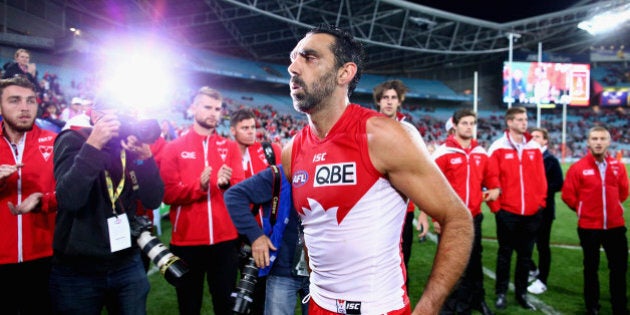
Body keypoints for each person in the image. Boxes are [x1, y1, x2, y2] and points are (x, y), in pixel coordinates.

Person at [284, 24, 473, 315]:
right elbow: (313, 230)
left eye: (309, 58)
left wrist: (429, 307)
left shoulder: (383, 136)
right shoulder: (291, 151)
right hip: (318, 306)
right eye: (294, 57)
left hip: (378, 308)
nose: (293, 67)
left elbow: (457, 219)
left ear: (344, 73)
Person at [51, 93, 164, 314]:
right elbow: (69, 198)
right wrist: (93, 145)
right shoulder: (72, 139)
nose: (118, 125)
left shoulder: (126, 147)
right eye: (113, 118)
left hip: (126, 261)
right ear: (95, 116)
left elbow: (153, 200)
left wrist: (145, 159)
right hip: (79, 267)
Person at [159, 86, 245, 315]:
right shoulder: (174, 147)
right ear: (193, 108)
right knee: (189, 306)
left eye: (217, 109)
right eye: (207, 107)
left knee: (225, 306)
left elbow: (240, 189)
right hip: (186, 242)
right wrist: (199, 187)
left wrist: (226, 185)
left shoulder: (230, 147)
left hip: (225, 242)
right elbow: (167, 194)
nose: (213, 113)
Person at [431, 109, 500, 315]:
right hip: (451, 220)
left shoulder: (481, 153)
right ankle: (449, 305)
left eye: (472, 123)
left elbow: (491, 179)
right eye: (465, 123)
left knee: (474, 261)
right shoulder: (443, 153)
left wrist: (495, 188)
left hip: (474, 217)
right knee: (450, 264)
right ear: (455, 125)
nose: (469, 127)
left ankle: (476, 300)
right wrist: (436, 217)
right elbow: (433, 188)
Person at [0, 76, 57, 314]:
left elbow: (72, 192)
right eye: (14, 100)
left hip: (47, 258)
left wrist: (44, 201)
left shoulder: (55, 142)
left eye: (30, 101)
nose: (24, 107)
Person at [225, 164, 310, 315]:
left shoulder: (334, 169)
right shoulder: (279, 174)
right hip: (282, 270)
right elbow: (234, 195)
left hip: (324, 271)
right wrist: (256, 236)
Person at [561, 126, 628, 315]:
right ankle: (592, 306)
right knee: (591, 268)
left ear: (609, 142)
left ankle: (619, 306)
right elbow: (568, 195)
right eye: (594, 138)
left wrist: (612, 209)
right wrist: (584, 210)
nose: (598, 142)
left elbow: (623, 192)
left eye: (602, 138)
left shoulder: (618, 166)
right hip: (589, 227)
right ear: (588, 142)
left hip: (615, 226)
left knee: (619, 268)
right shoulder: (578, 168)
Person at [487, 106, 547, 310]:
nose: (524, 122)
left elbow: (541, 180)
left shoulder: (534, 147)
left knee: (525, 257)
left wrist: (540, 204)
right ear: (509, 122)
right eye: (520, 119)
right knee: (505, 255)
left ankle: (521, 294)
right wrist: (497, 209)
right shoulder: (497, 147)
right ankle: (501, 293)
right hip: (507, 213)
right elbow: (490, 180)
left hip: (531, 214)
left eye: (525, 119)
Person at [372, 79, 429, 293]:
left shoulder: (410, 131)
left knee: (404, 253)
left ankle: (397, 294)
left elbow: (423, 171)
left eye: (393, 98)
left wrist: (424, 210)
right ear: (378, 101)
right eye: (385, 97)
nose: (389, 102)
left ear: (399, 101)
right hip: (374, 206)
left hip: (405, 208)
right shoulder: (367, 127)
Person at [229, 107, 283, 314]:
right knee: (249, 293)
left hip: (270, 233)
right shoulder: (227, 157)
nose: (251, 132)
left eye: (253, 127)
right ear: (233, 130)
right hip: (240, 237)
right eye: (245, 128)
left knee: (272, 288)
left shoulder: (270, 150)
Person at [527, 127, 564, 295]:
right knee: (521, 241)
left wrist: (540, 189)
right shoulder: (527, 157)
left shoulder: (551, 160)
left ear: (545, 141)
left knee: (542, 245)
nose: (533, 139)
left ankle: (542, 280)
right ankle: (532, 269)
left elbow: (559, 183)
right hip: (528, 208)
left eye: (537, 137)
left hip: (545, 210)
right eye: (532, 136)